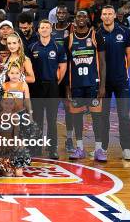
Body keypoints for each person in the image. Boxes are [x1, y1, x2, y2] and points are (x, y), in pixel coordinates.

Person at [67, 10, 106, 162]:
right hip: (76, 85)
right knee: (77, 117)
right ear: (75, 20)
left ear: (88, 19)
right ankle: (80, 148)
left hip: (93, 84)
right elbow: (66, 64)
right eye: (78, 16)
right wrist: (67, 87)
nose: (81, 19)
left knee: (97, 117)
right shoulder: (70, 38)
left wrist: (102, 85)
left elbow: (102, 63)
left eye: (84, 16)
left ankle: (98, 149)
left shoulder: (96, 35)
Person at [97, 5, 130, 161]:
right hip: (104, 82)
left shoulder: (124, 32)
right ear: (101, 17)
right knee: (103, 116)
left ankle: (126, 148)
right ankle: (103, 148)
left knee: (124, 116)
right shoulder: (97, 34)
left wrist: (123, 71)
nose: (107, 16)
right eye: (104, 14)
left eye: (109, 14)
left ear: (114, 16)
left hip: (121, 82)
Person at [28, 20, 67, 159]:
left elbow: (63, 66)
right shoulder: (32, 47)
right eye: (42, 27)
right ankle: (36, 148)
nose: (44, 29)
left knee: (52, 120)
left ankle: (52, 149)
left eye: (47, 27)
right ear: (38, 30)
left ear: (51, 30)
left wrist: (55, 82)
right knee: (37, 120)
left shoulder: (57, 47)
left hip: (52, 87)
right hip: (36, 87)